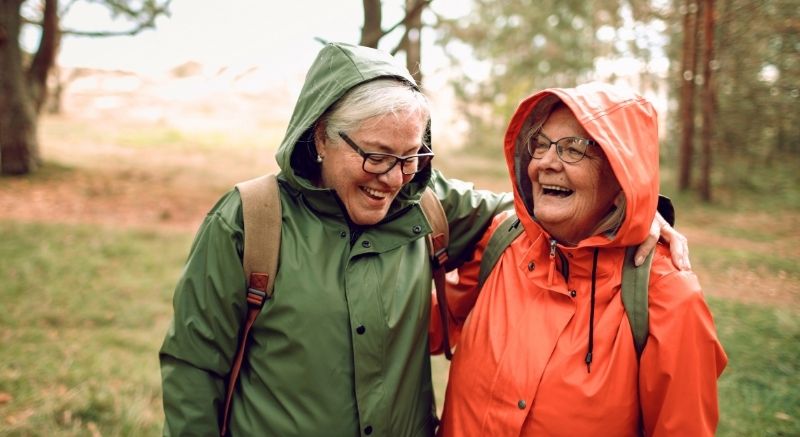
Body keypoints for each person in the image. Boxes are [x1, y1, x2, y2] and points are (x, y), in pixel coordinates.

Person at [159, 42, 688, 436]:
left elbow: (537, 210)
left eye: (410, 157)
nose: (392, 178)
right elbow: (193, 366)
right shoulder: (248, 221)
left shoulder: (429, 202)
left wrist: (637, 212)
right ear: (320, 135)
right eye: (375, 156)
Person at [435, 83, 727, 436]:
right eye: (540, 145)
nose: (544, 163)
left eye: (573, 149)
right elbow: (429, 328)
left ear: (624, 174)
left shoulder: (669, 300)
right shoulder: (503, 240)